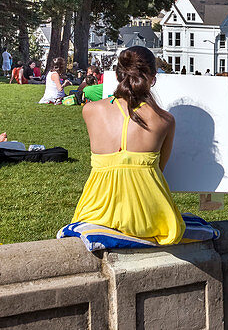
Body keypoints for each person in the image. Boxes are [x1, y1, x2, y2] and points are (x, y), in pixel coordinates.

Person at [70, 46, 186, 243]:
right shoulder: (165, 120)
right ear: (153, 78)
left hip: (95, 212)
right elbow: (159, 170)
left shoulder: (90, 110)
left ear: (117, 75)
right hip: (150, 218)